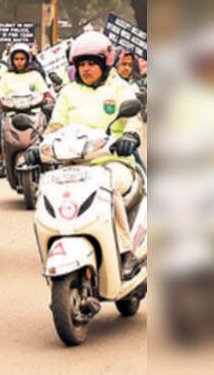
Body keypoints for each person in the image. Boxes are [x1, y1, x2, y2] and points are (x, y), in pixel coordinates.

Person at [35, 31, 144, 278]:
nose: (85, 69)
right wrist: (39, 146)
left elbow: (133, 120)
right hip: (73, 164)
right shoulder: (68, 93)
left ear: (104, 64)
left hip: (113, 163)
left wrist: (131, 137)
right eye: (81, 64)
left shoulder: (119, 88)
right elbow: (55, 127)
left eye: (91, 64)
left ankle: (126, 253)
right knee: (49, 189)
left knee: (106, 186)